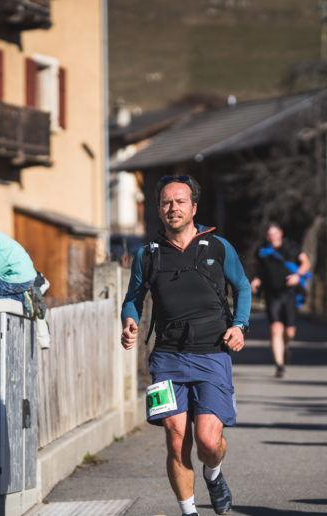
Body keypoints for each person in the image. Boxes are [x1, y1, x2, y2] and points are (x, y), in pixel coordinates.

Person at [121, 175, 251, 516]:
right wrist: (129, 321)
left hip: (212, 355)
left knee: (208, 441)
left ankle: (214, 472)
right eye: (166, 202)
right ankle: (188, 511)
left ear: (194, 207)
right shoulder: (147, 255)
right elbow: (132, 299)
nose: (173, 208)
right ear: (158, 209)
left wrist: (239, 326)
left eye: (180, 201)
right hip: (167, 359)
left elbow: (243, 287)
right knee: (176, 438)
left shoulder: (218, 247)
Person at [250, 222, 311, 378]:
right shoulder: (262, 250)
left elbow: (306, 262)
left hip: (289, 293)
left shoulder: (291, 247)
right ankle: (280, 366)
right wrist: (256, 279)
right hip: (272, 294)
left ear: (280, 234)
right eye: (269, 234)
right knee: (276, 329)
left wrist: (297, 275)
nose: (272, 237)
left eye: (274, 234)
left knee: (290, 332)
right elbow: (257, 267)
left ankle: (285, 346)